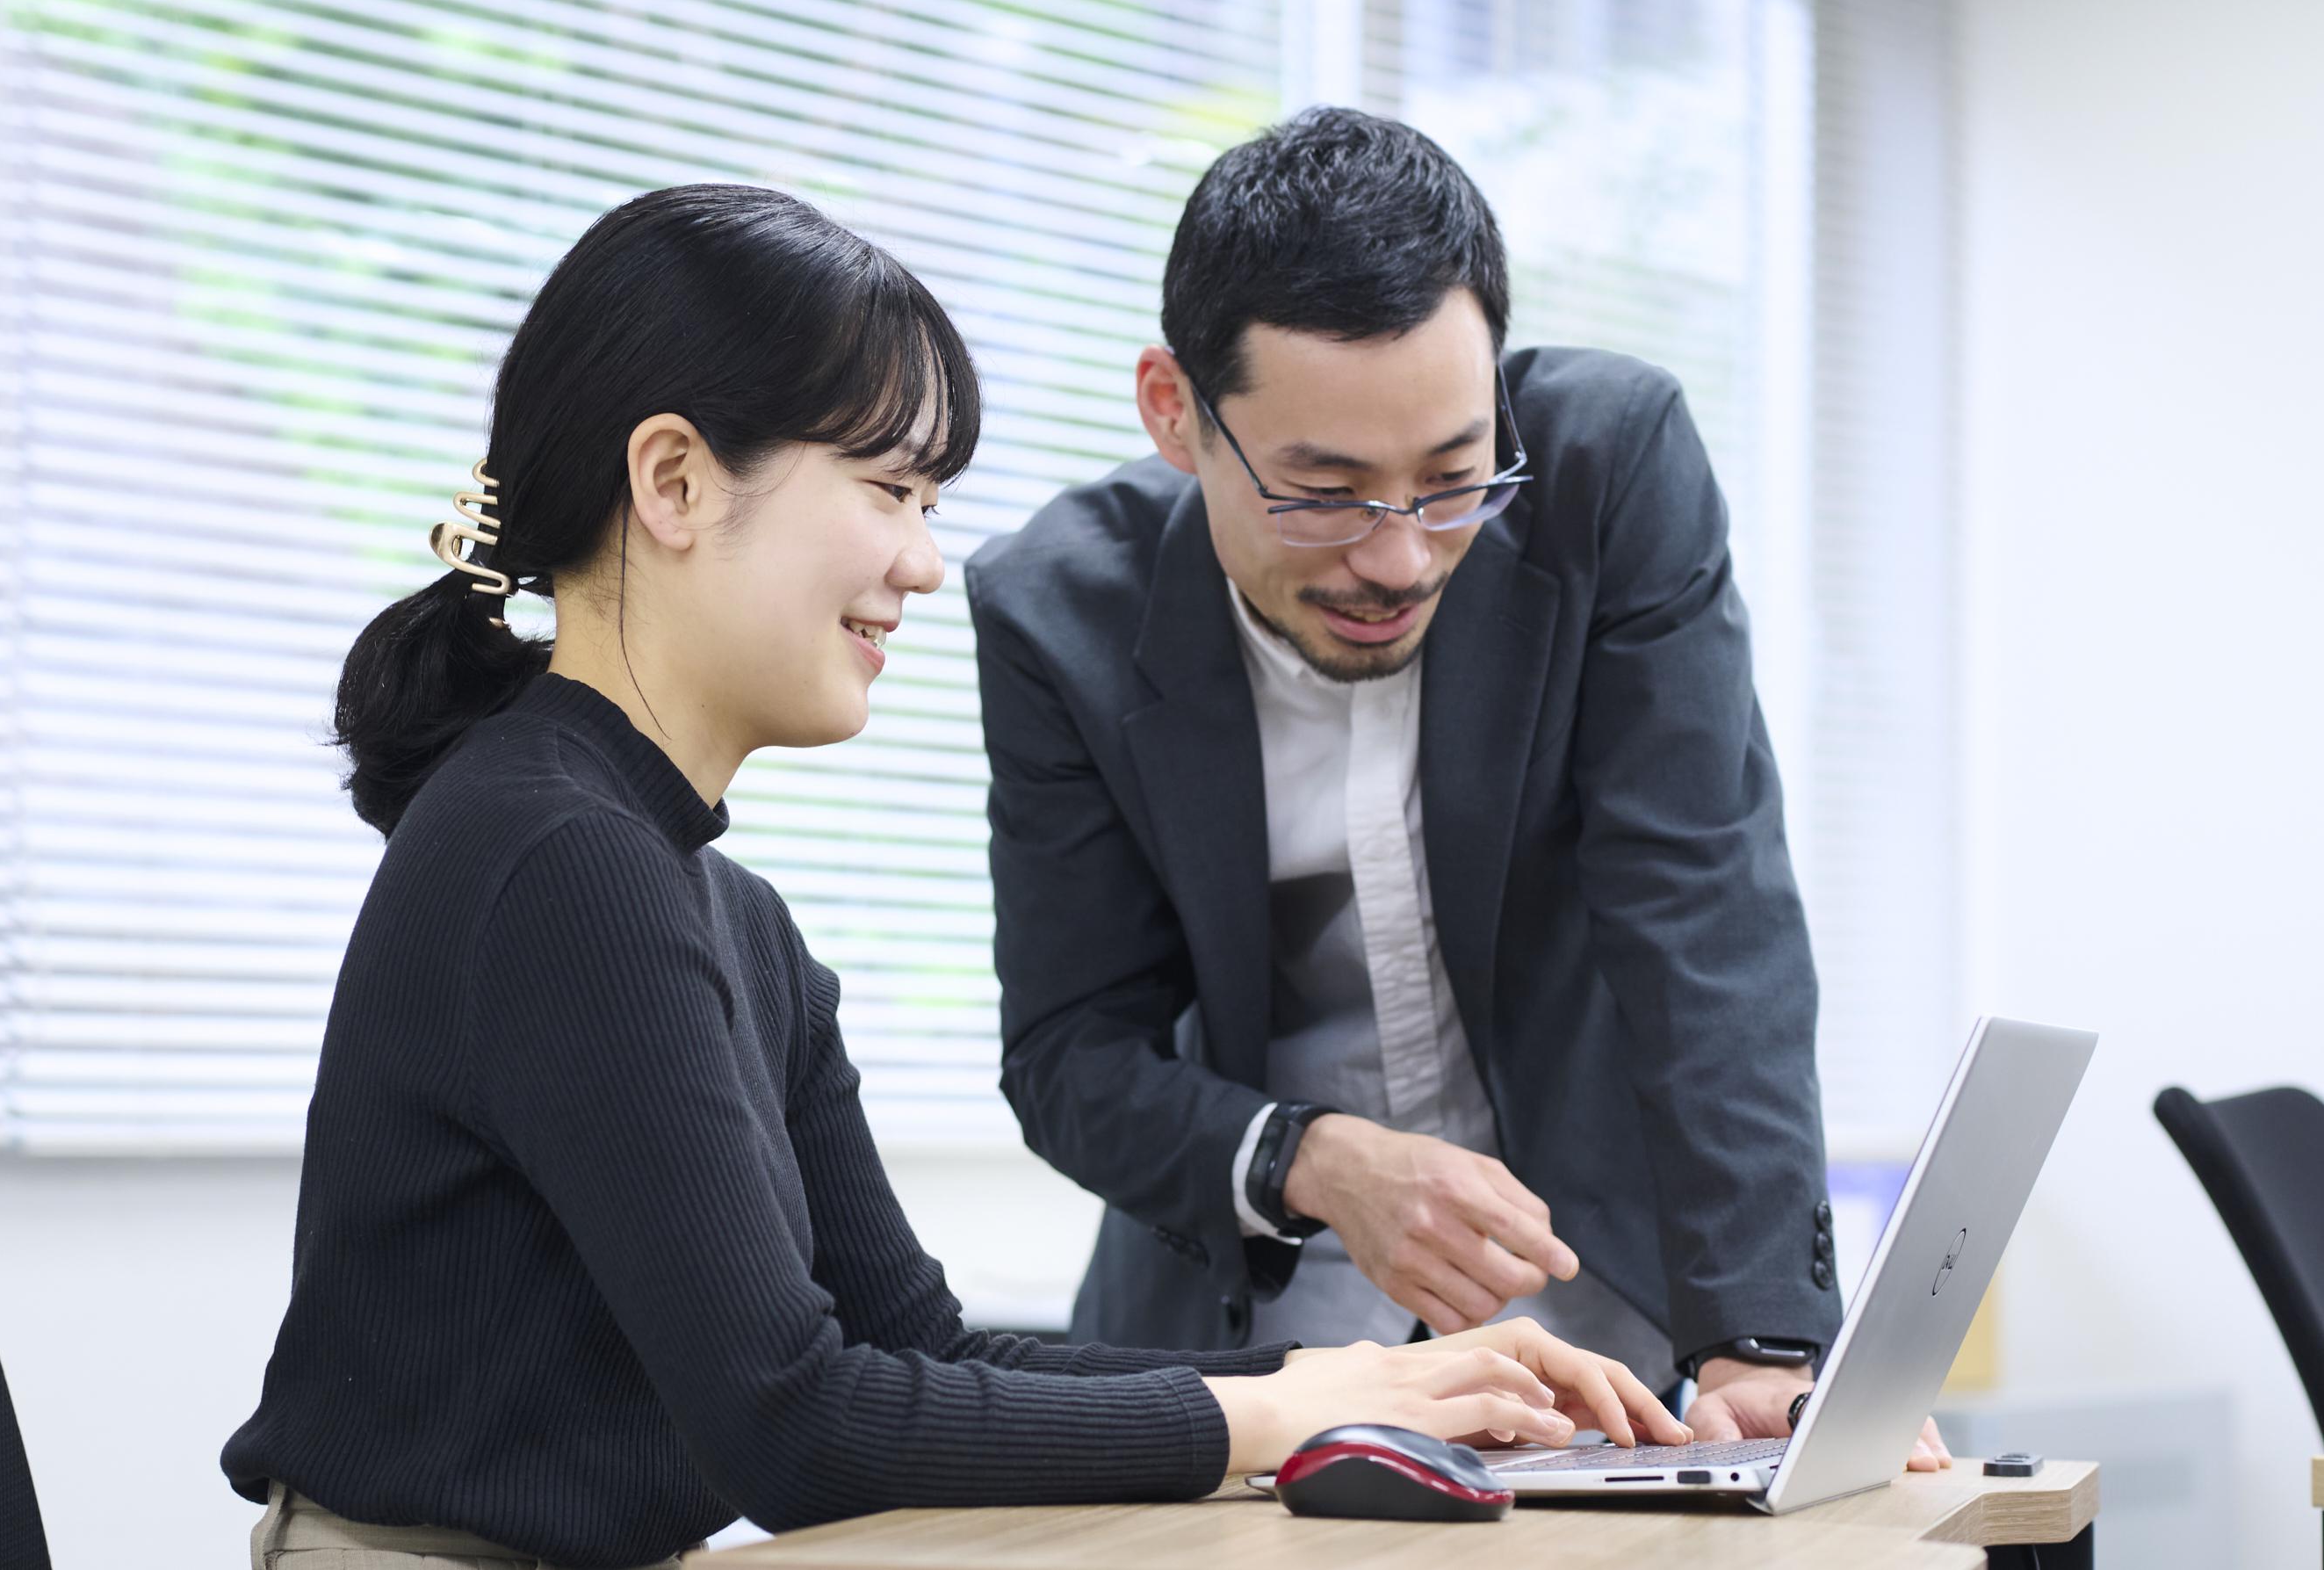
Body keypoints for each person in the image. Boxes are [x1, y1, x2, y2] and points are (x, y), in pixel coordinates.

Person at [220, 184, 1687, 1570]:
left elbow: (915, 1358)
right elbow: (795, 1429)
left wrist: (1341, 1381)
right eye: (889, 491)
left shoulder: (720, 911)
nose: (926, 566)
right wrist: (1270, 1416)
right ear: (672, 481)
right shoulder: (557, 860)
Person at [965, 108, 1951, 1467]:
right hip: (1263, 1350)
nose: (1403, 558)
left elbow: (1701, 908)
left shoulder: (1609, 469)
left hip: (1621, 1325)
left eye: (1452, 480)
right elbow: (1072, 1053)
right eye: (1325, 492)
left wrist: (1764, 1341)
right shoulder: (1056, 612)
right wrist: (1311, 1160)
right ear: (1174, 414)